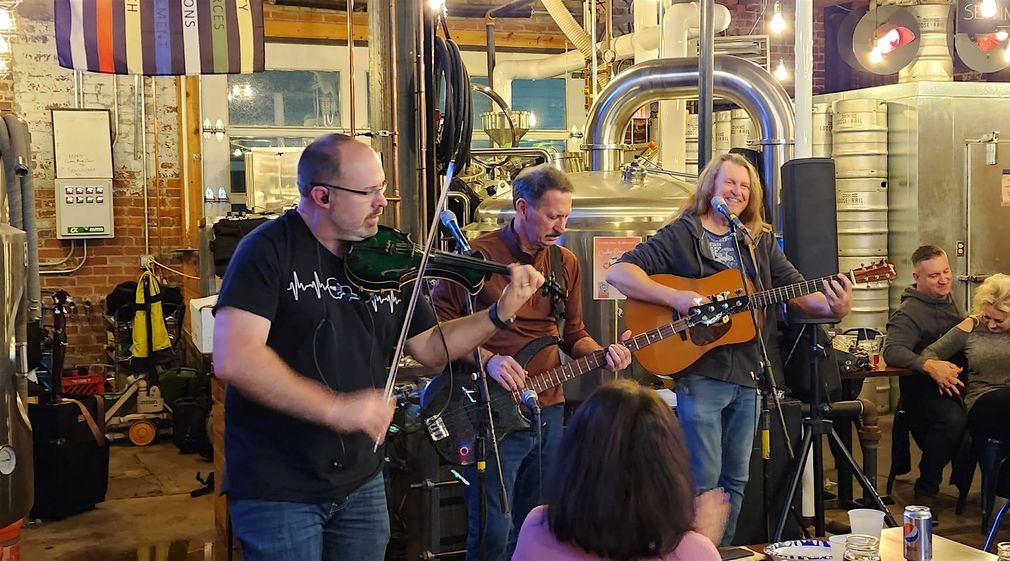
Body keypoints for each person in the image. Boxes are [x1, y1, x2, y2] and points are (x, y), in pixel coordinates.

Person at [211, 133, 545, 561]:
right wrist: (338, 409)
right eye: (368, 192)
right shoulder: (266, 250)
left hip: (360, 479)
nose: (382, 202)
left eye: (382, 188)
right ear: (322, 196)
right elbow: (236, 357)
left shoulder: (384, 257)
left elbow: (430, 347)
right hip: (279, 484)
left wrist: (498, 313)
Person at [606, 153, 853, 544]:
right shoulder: (681, 235)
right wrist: (680, 298)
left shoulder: (757, 242)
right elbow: (618, 271)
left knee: (735, 479)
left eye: (745, 186)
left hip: (751, 374)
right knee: (702, 479)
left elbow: (799, 294)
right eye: (730, 183)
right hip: (703, 373)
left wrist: (835, 308)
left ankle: (719, 551)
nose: (737, 192)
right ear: (710, 187)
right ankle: (691, 552)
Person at [430, 164, 633, 561]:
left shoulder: (566, 264)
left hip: (547, 411)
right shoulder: (477, 259)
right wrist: (487, 359)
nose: (561, 225)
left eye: (567, 216)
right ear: (522, 208)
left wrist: (604, 354)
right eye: (552, 216)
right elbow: (437, 332)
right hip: (489, 413)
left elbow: (573, 334)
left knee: (539, 526)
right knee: (493, 531)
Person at [511, 380, 727, 561]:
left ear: (572, 457)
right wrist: (701, 542)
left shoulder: (535, 527)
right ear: (670, 468)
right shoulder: (693, 551)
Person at [919, 273, 1010, 532]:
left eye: (999, 320)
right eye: (987, 316)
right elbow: (929, 353)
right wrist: (939, 369)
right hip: (983, 407)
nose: (990, 324)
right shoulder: (971, 326)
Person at [881, 245, 968, 503]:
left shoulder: (950, 302)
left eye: (946, 272)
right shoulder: (909, 313)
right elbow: (892, 351)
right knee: (952, 421)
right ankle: (926, 489)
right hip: (922, 394)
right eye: (934, 276)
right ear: (917, 278)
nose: (943, 280)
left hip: (958, 386)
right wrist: (930, 366)